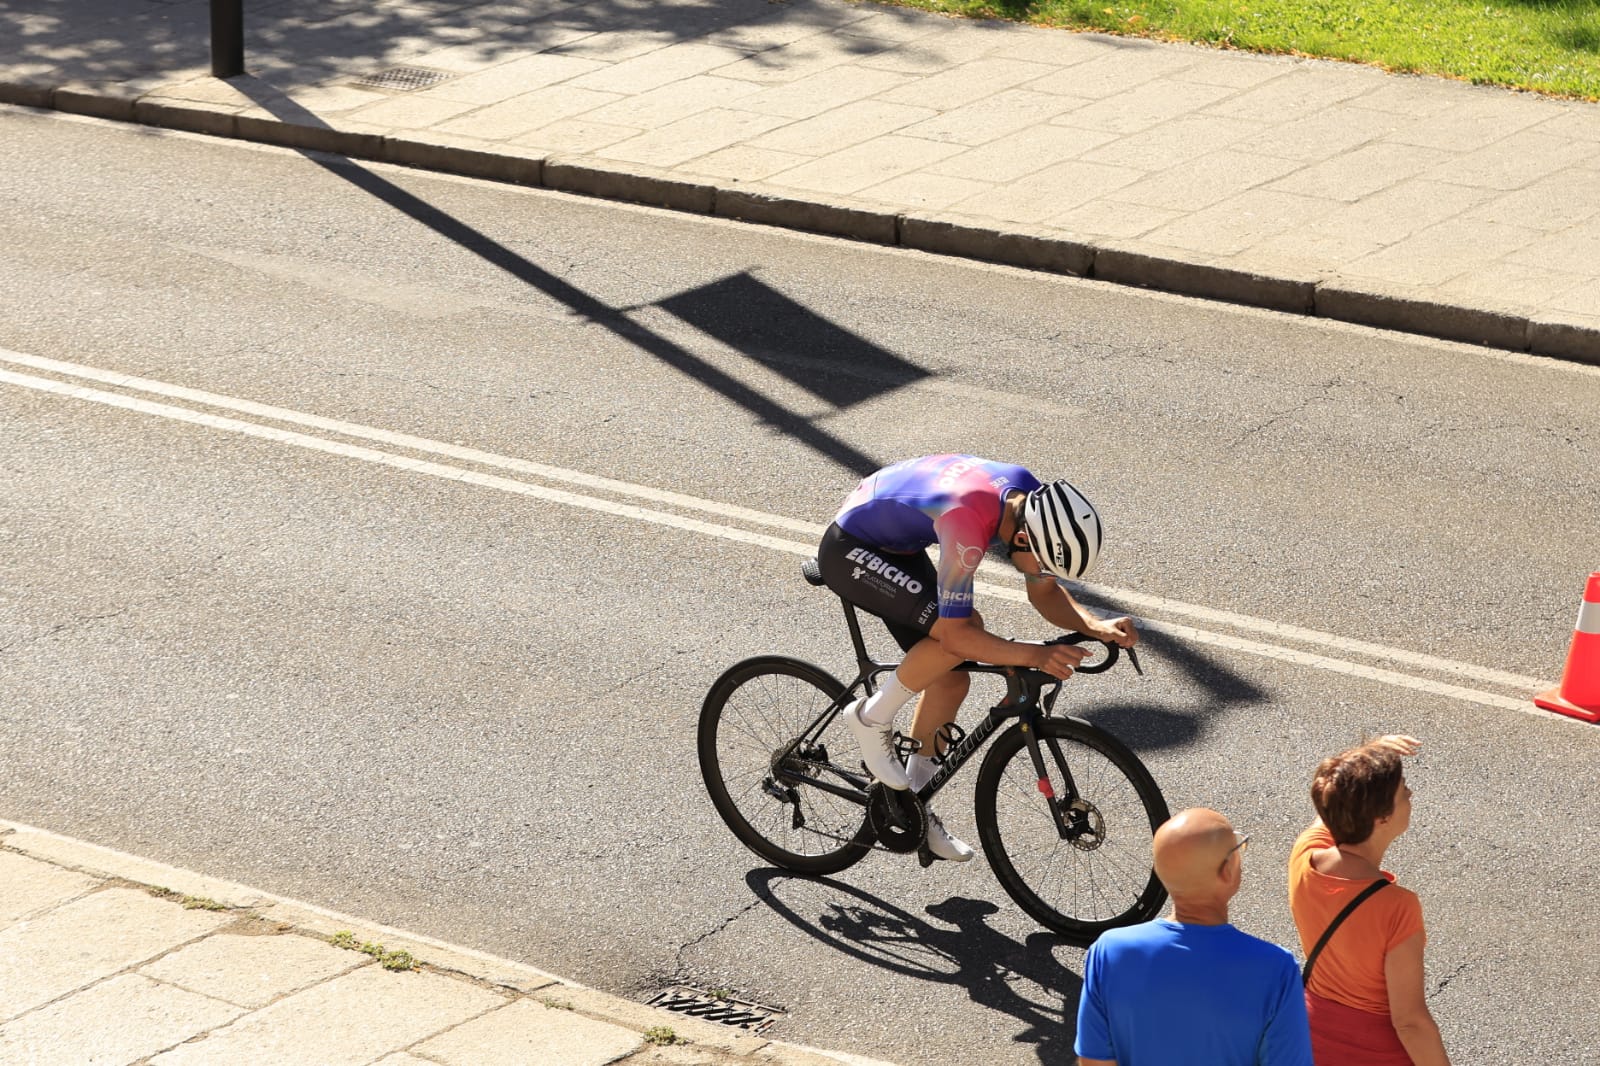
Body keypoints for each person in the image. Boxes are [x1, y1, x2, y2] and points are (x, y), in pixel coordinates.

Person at [816, 454, 1138, 862]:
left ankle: (913, 802)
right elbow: (955, 636)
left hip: (897, 539)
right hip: (852, 547)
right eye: (1042, 563)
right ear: (1023, 539)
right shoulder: (968, 524)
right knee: (962, 631)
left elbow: (1044, 592)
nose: (1042, 573)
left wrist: (1096, 625)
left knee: (952, 678)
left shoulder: (1029, 500)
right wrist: (1036, 655)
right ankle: (871, 716)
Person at [1075, 808, 1313, 1066]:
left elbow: (1094, 1061)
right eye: (1237, 848)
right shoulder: (1275, 969)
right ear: (1227, 871)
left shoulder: (1109, 952)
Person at [1288, 735, 1451, 1066]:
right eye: (1403, 791)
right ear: (1383, 818)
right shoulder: (1396, 906)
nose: (1410, 794)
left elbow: (1332, 802)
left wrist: (1368, 756)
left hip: (1311, 1042)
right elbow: (1409, 1021)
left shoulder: (1305, 856)